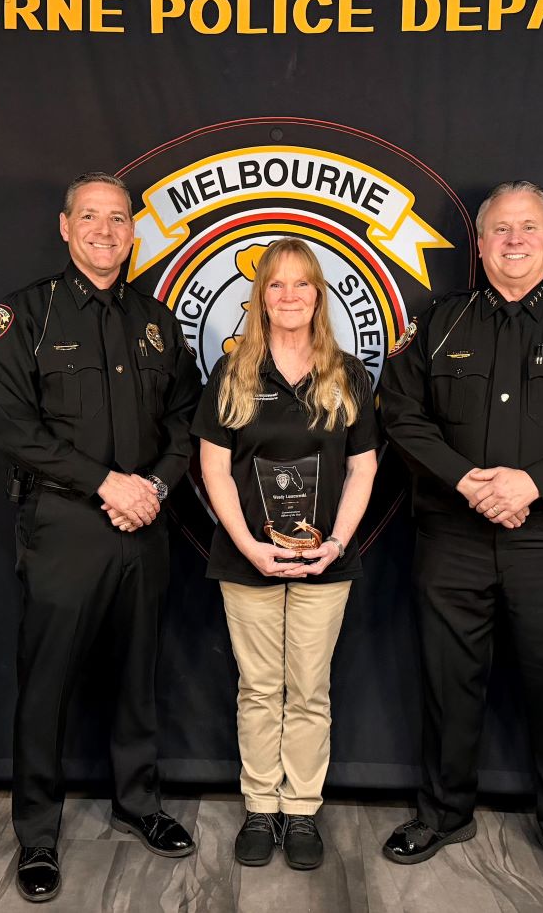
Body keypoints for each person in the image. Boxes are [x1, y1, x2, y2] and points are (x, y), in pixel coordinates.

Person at [378, 181, 543, 896]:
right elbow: (401, 415)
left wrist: (535, 483)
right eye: (500, 229)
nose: (514, 240)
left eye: (529, 228)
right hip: (453, 539)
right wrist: (467, 481)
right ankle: (442, 813)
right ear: (480, 242)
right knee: (446, 685)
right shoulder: (436, 325)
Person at [0, 171, 202, 902]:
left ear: (133, 232)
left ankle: (139, 804)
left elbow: (186, 419)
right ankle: (38, 837)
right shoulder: (25, 315)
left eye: (118, 218)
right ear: (66, 227)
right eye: (91, 217)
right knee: (47, 687)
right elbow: (16, 431)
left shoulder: (157, 319)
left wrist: (156, 488)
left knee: (138, 676)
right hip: (65, 523)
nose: (106, 230)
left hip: (146, 521)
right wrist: (107, 484)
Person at [192, 238, 379, 871]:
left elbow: (363, 467)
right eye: (277, 285)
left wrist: (336, 544)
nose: (290, 295)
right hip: (248, 556)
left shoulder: (346, 373)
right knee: (259, 687)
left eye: (303, 284)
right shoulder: (234, 372)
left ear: (319, 295)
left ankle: (300, 810)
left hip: (325, 560)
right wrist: (247, 545)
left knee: (308, 688)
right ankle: (259, 807)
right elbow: (213, 468)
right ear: (261, 296)